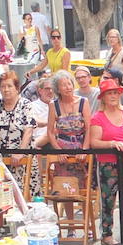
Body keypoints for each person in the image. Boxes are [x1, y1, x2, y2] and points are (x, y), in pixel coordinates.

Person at [87, 78, 123, 245]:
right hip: (108, 163)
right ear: (103, 97)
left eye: (115, 93)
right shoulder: (98, 117)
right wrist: (111, 144)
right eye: (109, 93)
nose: (113, 96)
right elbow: (94, 142)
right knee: (108, 199)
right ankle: (107, 233)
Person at [38, 70, 89, 228]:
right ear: (57, 89)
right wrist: (58, 150)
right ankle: (71, 227)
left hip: (80, 146)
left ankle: (86, 224)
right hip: (63, 148)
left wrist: (84, 150)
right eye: (63, 85)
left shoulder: (83, 102)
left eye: (69, 83)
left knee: (82, 189)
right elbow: (51, 132)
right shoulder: (54, 105)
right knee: (66, 189)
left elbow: (89, 127)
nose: (67, 87)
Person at [0, 71, 36, 169]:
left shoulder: (25, 104)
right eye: (3, 86)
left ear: (17, 88)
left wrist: (20, 153)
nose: (6, 89)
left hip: (22, 158)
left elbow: (29, 130)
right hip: (2, 159)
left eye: (9, 86)